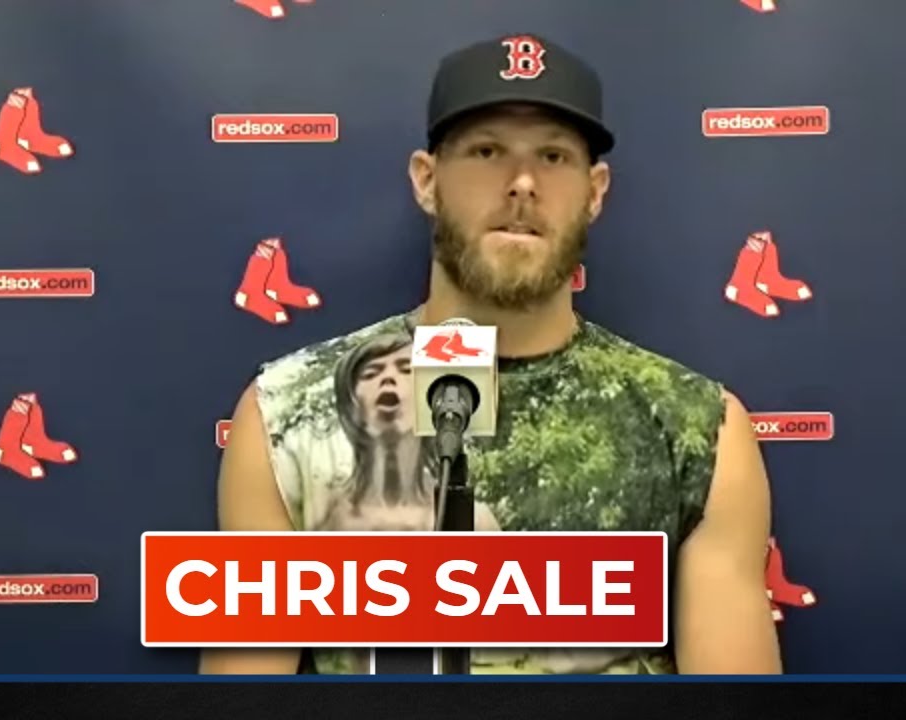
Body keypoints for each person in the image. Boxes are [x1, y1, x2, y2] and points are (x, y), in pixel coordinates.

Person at [202, 33, 783, 675]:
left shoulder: (699, 430)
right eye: (487, 151)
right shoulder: (287, 415)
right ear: (427, 180)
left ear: (595, 191)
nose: (523, 183)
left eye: (553, 156)